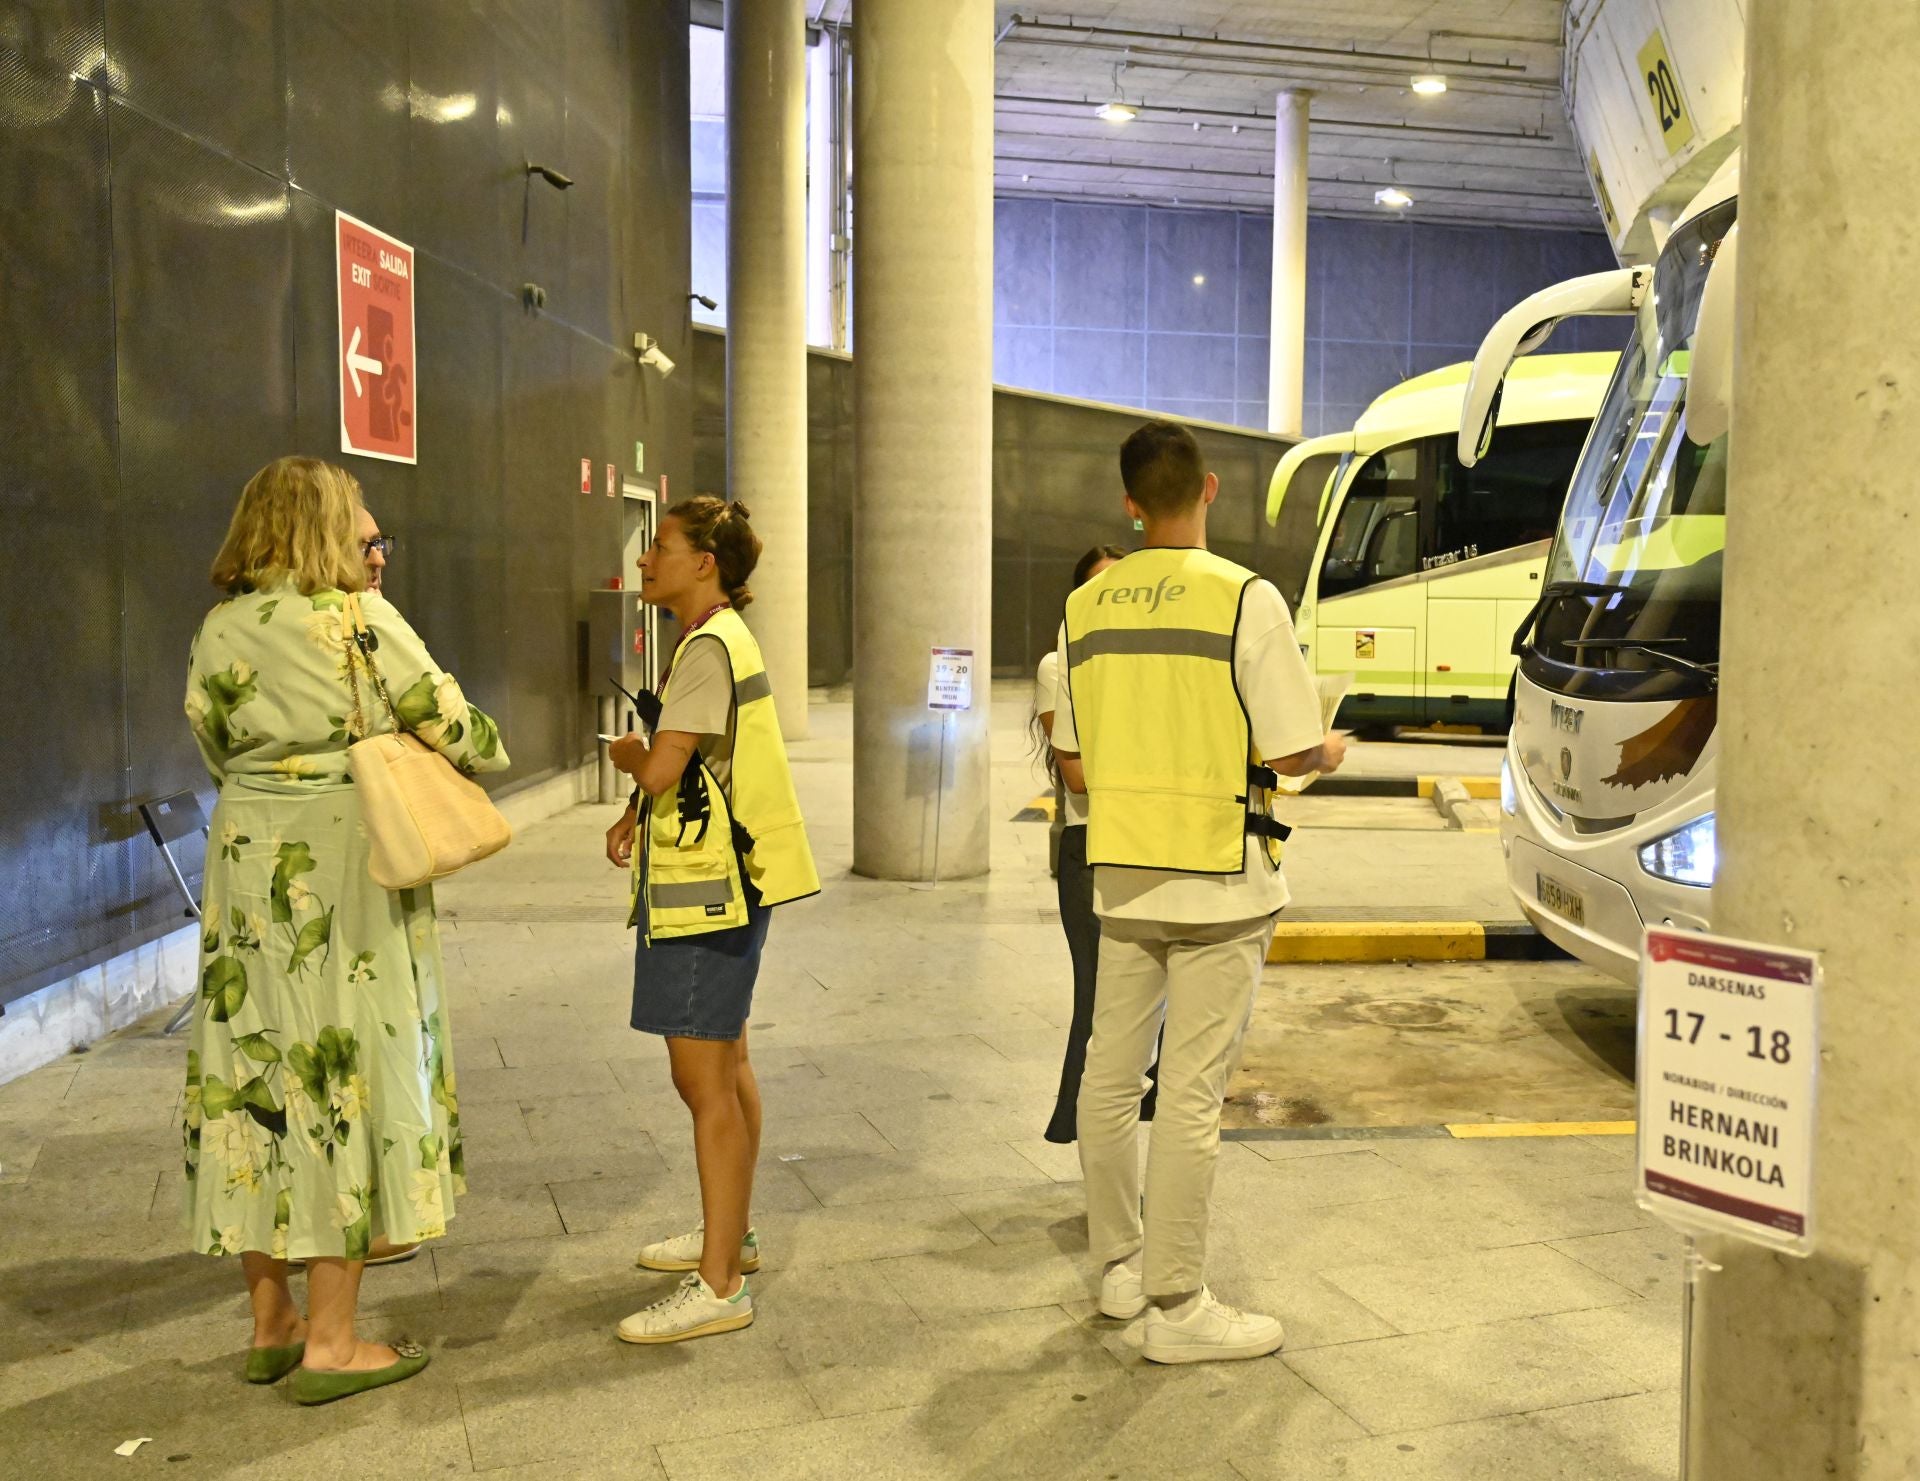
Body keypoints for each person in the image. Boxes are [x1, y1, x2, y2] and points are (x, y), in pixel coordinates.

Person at [182, 456, 508, 1404]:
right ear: (327, 528)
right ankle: (332, 1339)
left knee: (255, 1072)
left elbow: (208, 737)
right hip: (345, 869)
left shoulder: (217, 629)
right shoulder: (358, 620)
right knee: (345, 1073)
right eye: (362, 525)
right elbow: (461, 727)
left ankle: (270, 1320)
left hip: (246, 864)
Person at [1050, 422, 1346, 1365]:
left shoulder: (1085, 607)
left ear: (1129, 501)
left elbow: (1079, 757)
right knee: (1188, 1095)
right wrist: (1330, 750)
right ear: (1208, 489)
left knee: (1110, 1075)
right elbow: (1295, 749)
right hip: (1221, 876)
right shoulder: (1245, 598)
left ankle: (1119, 1271)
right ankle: (1179, 1308)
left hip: (1123, 871)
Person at [603, 496, 819, 1345]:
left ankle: (720, 1281)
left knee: (704, 1081)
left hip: (708, 893)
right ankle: (734, 1236)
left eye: (662, 545)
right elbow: (691, 768)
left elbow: (663, 766)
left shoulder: (705, 649)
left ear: (706, 563)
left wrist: (626, 760)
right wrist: (632, 810)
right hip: (731, 878)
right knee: (726, 1061)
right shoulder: (719, 639)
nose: (648, 557)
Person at [1032, 544, 1163, 1145]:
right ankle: (1085, 1129)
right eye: (1097, 588)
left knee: (1149, 1008)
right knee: (1098, 1000)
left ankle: (1128, 1131)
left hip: (1148, 843)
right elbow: (1078, 773)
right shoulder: (1058, 667)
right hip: (1090, 846)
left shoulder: (1146, 664)